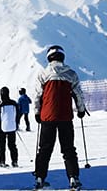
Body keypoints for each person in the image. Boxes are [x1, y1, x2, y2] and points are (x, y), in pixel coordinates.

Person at [33, 45, 87, 189]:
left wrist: (37, 113)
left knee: (44, 149)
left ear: (49, 57)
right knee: (68, 149)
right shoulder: (71, 74)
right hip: (65, 117)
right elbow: (78, 94)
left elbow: (37, 96)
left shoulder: (43, 74)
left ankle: (39, 178)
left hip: (47, 117)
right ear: (62, 57)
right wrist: (81, 110)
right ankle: (73, 178)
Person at [0, 86, 19, 167]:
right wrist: (16, 123)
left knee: (1, 145)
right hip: (12, 126)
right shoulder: (14, 103)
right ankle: (14, 161)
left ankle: (2, 161)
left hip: (1, 127)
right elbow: (18, 114)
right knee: (12, 145)